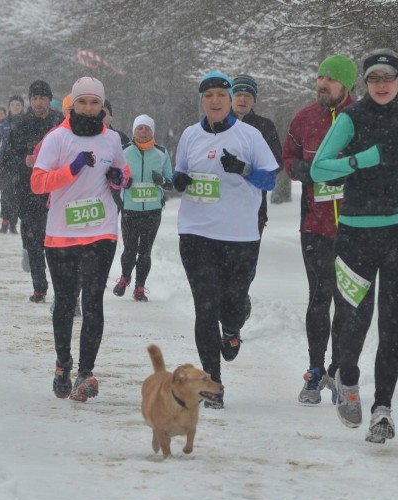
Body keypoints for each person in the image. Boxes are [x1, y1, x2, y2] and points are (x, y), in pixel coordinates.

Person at [311, 49, 398, 442]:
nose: (381, 84)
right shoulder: (351, 118)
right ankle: (347, 379)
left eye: (388, 77)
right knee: (355, 320)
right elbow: (319, 167)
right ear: (365, 82)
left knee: (391, 324)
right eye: (374, 78)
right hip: (357, 232)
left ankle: (383, 409)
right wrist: (360, 161)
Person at [172, 71, 278, 408]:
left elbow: (270, 180)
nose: (215, 101)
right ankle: (212, 384)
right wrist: (179, 181)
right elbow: (180, 173)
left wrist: (244, 170)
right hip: (196, 233)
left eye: (221, 94)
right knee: (205, 309)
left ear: (230, 99)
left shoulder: (249, 136)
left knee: (232, 303)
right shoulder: (190, 135)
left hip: (240, 236)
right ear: (201, 101)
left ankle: (232, 329)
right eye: (209, 96)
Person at [30, 76, 129, 402]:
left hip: (101, 231)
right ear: (73, 104)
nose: (89, 108)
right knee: (66, 301)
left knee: (93, 302)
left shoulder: (112, 139)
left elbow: (122, 172)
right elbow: (38, 183)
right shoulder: (57, 139)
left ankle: (86, 373)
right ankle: (63, 363)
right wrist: (70, 170)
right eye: (83, 102)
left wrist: (118, 178)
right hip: (61, 234)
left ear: (102, 106)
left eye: (95, 102)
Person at [283, 54, 357, 406]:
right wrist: (299, 168)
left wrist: (351, 173)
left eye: (330, 79)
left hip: (355, 228)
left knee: (347, 306)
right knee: (319, 299)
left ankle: (339, 369)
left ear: (347, 85)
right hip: (314, 225)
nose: (322, 84)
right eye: (320, 77)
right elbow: (288, 156)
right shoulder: (305, 118)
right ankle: (314, 371)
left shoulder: (362, 118)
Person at [6, 80, 64, 301]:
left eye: (43, 98)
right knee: (34, 241)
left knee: (56, 242)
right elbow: (7, 159)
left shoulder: (60, 122)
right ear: (30, 101)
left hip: (56, 192)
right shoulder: (20, 125)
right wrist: (24, 160)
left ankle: (62, 287)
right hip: (28, 192)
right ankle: (39, 287)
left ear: (50, 99)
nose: (39, 103)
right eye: (35, 98)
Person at [113, 114, 174, 301]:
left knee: (145, 250)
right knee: (130, 248)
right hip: (130, 209)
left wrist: (161, 180)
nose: (143, 132)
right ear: (134, 131)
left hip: (153, 210)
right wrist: (123, 181)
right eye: (140, 128)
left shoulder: (161, 153)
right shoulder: (123, 151)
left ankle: (140, 287)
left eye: (147, 128)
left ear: (152, 131)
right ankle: (125, 277)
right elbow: (113, 175)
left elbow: (170, 182)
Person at [230, 74, 283, 236]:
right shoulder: (217, 123)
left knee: (247, 260)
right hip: (221, 206)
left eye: (248, 96)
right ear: (230, 97)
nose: (242, 99)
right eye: (238, 95)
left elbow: (277, 163)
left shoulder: (264, 126)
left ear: (254, 100)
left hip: (255, 209)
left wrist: (246, 169)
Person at [0, 95, 26, 233]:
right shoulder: (2, 124)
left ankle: (14, 222)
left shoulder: (27, 122)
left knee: (19, 194)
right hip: (6, 164)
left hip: (22, 164)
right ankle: (5, 220)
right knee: (6, 193)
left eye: (18, 105)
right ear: (9, 107)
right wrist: (0, 154)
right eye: (13, 105)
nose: (15, 107)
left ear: (22, 107)